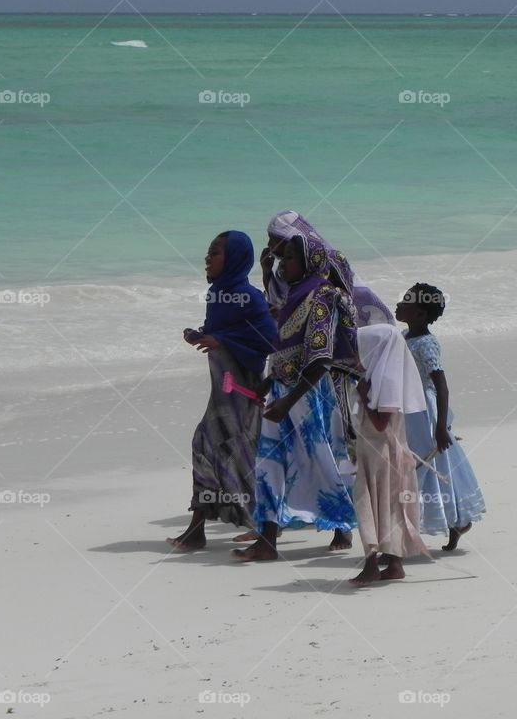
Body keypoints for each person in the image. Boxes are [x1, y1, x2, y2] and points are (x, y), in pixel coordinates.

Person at [232, 233, 359, 562]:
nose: (281, 264)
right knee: (269, 462)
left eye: (288, 258)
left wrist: (290, 400)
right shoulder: (293, 296)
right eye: (282, 257)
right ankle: (268, 538)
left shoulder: (322, 296)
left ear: (308, 262)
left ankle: (342, 525)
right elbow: (287, 348)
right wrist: (269, 381)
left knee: (323, 459)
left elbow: (319, 358)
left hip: (312, 393)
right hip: (283, 389)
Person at [167, 231, 277, 552]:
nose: (207, 258)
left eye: (215, 252)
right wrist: (201, 335)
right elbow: (226, 331)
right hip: (221, 392)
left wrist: (223, 341)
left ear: (235, 258)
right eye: (209, 252)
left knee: (236, 452)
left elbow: (269, 339)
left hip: (242, 391)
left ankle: (262, 527)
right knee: (210, 447)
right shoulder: (219, 294)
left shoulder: (247, 296)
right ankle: (200, 529)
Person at [396, 283, 486, 551]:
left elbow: (441, 385)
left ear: (421, 314)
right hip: (407, 407)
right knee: (412, 466)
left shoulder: (427, 344)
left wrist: (441, 427)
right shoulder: (403, 336)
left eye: (406, 301)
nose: (399, 304)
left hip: (425, 412)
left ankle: (454, 522)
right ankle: (439, 524)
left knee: (431, 467)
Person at [349, 324, 429, 586]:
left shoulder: (387, 380)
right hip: (377, 452)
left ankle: (372, 564)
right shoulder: (382, 374)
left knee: (368, 506)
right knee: (390, 507)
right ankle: (394, 565)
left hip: (382, 453)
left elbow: (382, 422)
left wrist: (362, 393)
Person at [263, 210, 395, 327]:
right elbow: (279, 302)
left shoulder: (330, 263)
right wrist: (266, 273)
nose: (269, 245)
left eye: (273, 240)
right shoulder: (284, 269)